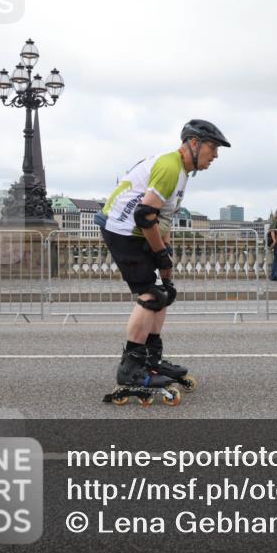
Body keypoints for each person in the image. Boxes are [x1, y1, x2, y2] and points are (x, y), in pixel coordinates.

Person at [97, 119, 230, 404]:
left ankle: (151, 359)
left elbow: (163, 218)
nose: (215, 156)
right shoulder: (171, 166)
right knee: (150, 293)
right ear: (194, 143)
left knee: (164, 293)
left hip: (137, 231)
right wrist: (159, 253)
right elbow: (145, 215)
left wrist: (165, 257)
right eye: (213, 148)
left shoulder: (181, 172)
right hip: (122, 230)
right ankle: (130, 368)